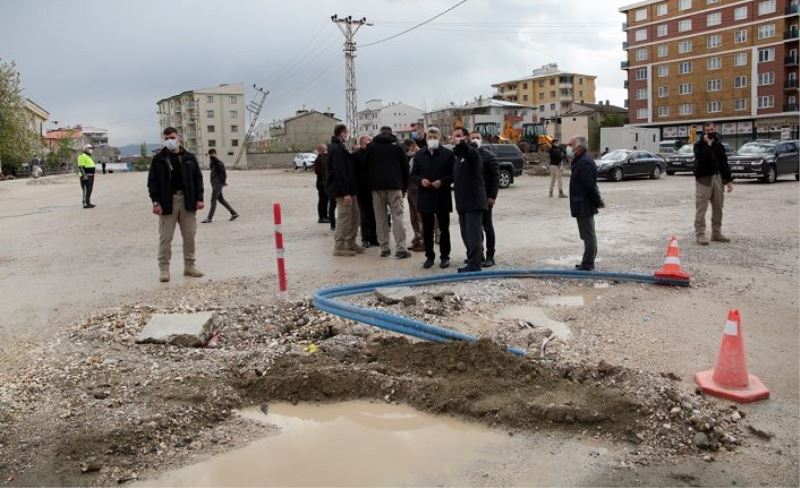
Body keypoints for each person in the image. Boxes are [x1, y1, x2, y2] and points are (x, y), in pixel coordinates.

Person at [147, 127, 205, 282]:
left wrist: (200, 198)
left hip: (188, 201)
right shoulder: (158, 159)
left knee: (189, 235)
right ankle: (164, 269)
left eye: (172, 137)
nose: (169, 141)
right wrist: (155, 202)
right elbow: (152, 183)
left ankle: (189, 266)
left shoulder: (189, 157)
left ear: (179, 138)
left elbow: (198, 179)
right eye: (166, 138)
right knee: (166, 237)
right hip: (167, 202)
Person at [410, 127, 454, 269]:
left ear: (440, 137)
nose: (432, 139)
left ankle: (445, 257)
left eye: (435, 137)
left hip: (442, 195)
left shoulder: (448, 154)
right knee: (427, 230)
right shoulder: (420, 154)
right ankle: (429, 256)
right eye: (430, 137)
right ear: (426, 138)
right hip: (426, 196)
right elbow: (413, 174)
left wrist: (442, 181)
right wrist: (421, 180)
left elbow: (453, 174)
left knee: (444, 229)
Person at [367, 126, 411, 259]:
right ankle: (401, 249)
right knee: (397, 217)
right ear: (391, 133)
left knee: (380, 219)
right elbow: (405, 167)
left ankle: (384, 248)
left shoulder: (372, 147)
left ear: (380, 133)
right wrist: (404, 187)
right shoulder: (397, 146)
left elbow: (366, 166)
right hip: (395, 186)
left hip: (377, 188)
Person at [452, 127, 487, 273]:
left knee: (473, 235)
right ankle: (474, 259)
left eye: (459, 136)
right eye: (454, 136)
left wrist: (462, 143)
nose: (456, 138)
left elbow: (469, 151)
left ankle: (474, 265)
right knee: (467, 234)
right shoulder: (459, 157)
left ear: (466, 138)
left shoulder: (473, 153)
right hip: (462, 203)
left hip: (473, 202)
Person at [567, 135, 605, 271]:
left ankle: (588, 263)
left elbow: (590, 185)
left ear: (579, 147)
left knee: (588, 235)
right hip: (581, 204)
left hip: (584, 204)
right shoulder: (580, 160)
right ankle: (587, 261)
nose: (570, 150)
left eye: (572, 146)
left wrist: (597, 201)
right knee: (587, 235)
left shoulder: (584, 162)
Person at [693, 121, 733, 245]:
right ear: (704, 131)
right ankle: (700, 234)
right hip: (704, 179)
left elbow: (724, 164)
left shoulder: (719, 145)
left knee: (718, 207)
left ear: (715, 129)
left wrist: (728, 180)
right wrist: (708, 145)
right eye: (708, 130)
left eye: (712, 130)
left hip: (718, 178)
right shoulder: (699, 145)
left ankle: (716, 233)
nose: (711, 132)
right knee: (702, 208)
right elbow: (701, 159)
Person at [326, 123, 362, 256]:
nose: (348, 135)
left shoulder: (342, 147)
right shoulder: (335, 149)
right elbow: (340, 172)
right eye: (346, 132)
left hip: (350, 190)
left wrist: (354, 152)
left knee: (355, 217)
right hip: (343, 191)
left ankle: (351, 242)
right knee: (344, 217)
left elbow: (348, 166)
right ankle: (339, 246)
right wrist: (345, 193)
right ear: (342, 133)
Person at [469, 130, 500, 267]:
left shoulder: (489, 156)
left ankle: (490, 255)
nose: (475, 139)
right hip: (472, 199)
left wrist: (492, 196)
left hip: (486, 198)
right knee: (475, 229)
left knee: (487, 227)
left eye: (477, 137)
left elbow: (495, 177)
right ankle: (477, 255)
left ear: (481, 139)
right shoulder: (467, 156)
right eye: (473, 138)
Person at [354, 135, 379, 248]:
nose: (370, 142)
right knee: (364, 214)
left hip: (373, 188)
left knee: (374, 214)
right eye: (368, 140)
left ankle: (374, 238)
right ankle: (365, 238)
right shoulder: (356, 155)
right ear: (362, 142)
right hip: (362, 189)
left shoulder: (373, 154)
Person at [202, 148, 239, 223]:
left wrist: (223, 181)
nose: (211, 156)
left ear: (215, 154)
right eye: (210, 154)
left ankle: (209, 218)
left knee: (213, 200)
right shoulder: (213, 163)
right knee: (221, 199)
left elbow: (223, 173)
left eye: (212, 154)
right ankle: (234, 213)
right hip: (215, 184)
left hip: (218, 184)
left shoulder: (218, 162)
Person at [403, 139, 425, 252]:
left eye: (409, 149)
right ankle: (417, 238)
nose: (408, 151)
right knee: (413, 217)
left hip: (418, 190)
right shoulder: (411, 158)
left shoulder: (422, 155)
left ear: (413, 146)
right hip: (410, 189)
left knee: (421, 216)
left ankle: (424, 241)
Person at [313, 144, 332, 226]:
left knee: (326, 200)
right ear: (321, 150)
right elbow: (317, 171)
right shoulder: (318, 159)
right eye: (325, 149)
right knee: (322, 201)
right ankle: (321, 217)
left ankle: (325, 216)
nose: (326, 150)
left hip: (324, 182)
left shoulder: (323, 158)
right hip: (321, 183)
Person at [77, 144, 96, 208]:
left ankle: (88, 202)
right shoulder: (82, 156)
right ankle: (85, 203)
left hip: (91, 176)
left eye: (91, 148)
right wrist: (84, 175)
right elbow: (81, 166)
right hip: (86, 176)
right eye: (90, 148)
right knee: (86, 190)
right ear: (86, 149)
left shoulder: (88, 157)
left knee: (89, 190)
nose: (91, 149)